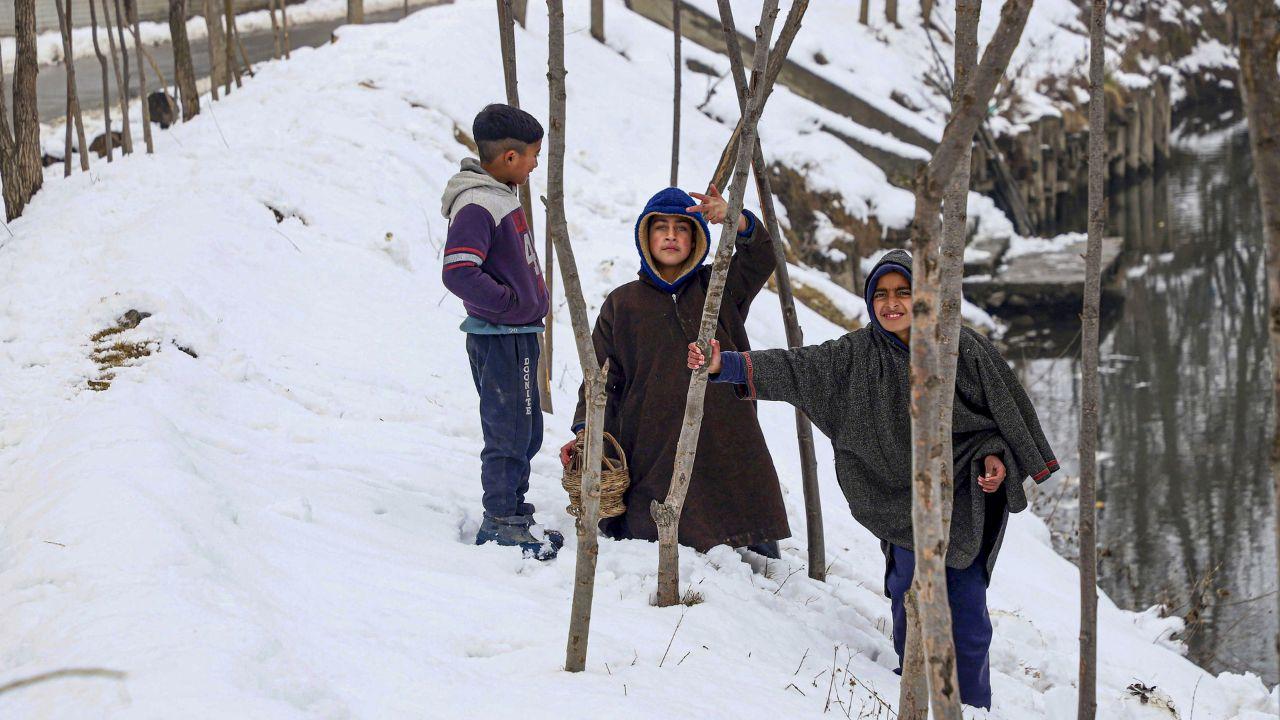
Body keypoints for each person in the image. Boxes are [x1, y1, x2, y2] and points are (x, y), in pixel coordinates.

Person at [688, 249, 1058, 708]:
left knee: (964, 608)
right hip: (898, 499)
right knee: (910, 595)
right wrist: (729, 366)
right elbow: (796, 367)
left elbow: (1004, 419)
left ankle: (973, 705)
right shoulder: (856, 354)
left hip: (963, 494)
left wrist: (996, 458)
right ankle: (913, 694)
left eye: (904, 291)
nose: (892, 303)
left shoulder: (961, 348)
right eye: (881, 294)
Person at [560, 185, 790, 557]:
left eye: (681, 227)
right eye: (660, 227)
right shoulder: (623, 303)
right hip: (652, 437)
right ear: (644, 237)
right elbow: (601, 378)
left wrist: (736, 218)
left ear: (697, 236)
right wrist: (587, 430)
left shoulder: (719, 286)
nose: (670, 235)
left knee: (745, 511)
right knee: (655, 522)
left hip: (728, 429)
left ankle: (756, 558)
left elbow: (762, 255)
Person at [441, 103, 561, 560]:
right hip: (502, 339)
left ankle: (515, 511)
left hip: (518, 335)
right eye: (532, 155)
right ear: (509, 157)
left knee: (526, 429)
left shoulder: (499, 195)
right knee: (508, 430)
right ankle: (500, 522)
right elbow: (458, 271)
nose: (534, 164)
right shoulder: (477, 203)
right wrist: (510, 306)